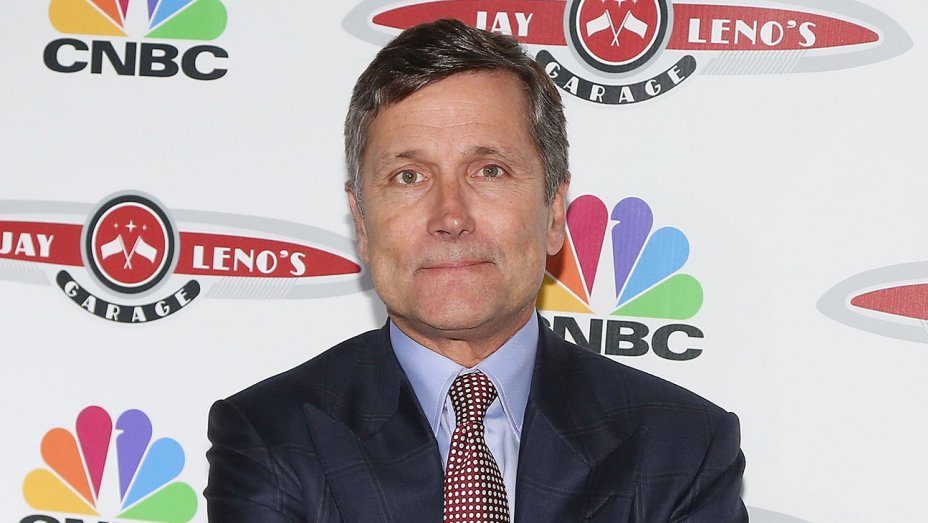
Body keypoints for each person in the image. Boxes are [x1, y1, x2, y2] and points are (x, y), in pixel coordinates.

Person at [205, 19, 747, 522]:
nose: (450, 217)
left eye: (489, 171)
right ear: (362, 222)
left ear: (554, 213)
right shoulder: (271, 436)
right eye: (409, 176)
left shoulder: (683, 445)